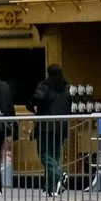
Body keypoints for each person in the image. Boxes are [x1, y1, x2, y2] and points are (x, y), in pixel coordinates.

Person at [32, 64, 74, 194]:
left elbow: (35, 99)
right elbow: (69, 106)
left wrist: (31, 107)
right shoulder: (66, 89)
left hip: (46, 126)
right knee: (54, 157)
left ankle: (59, 175)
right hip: (61, 127)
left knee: (44, 155)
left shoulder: (44, 86)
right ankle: (50, 188)